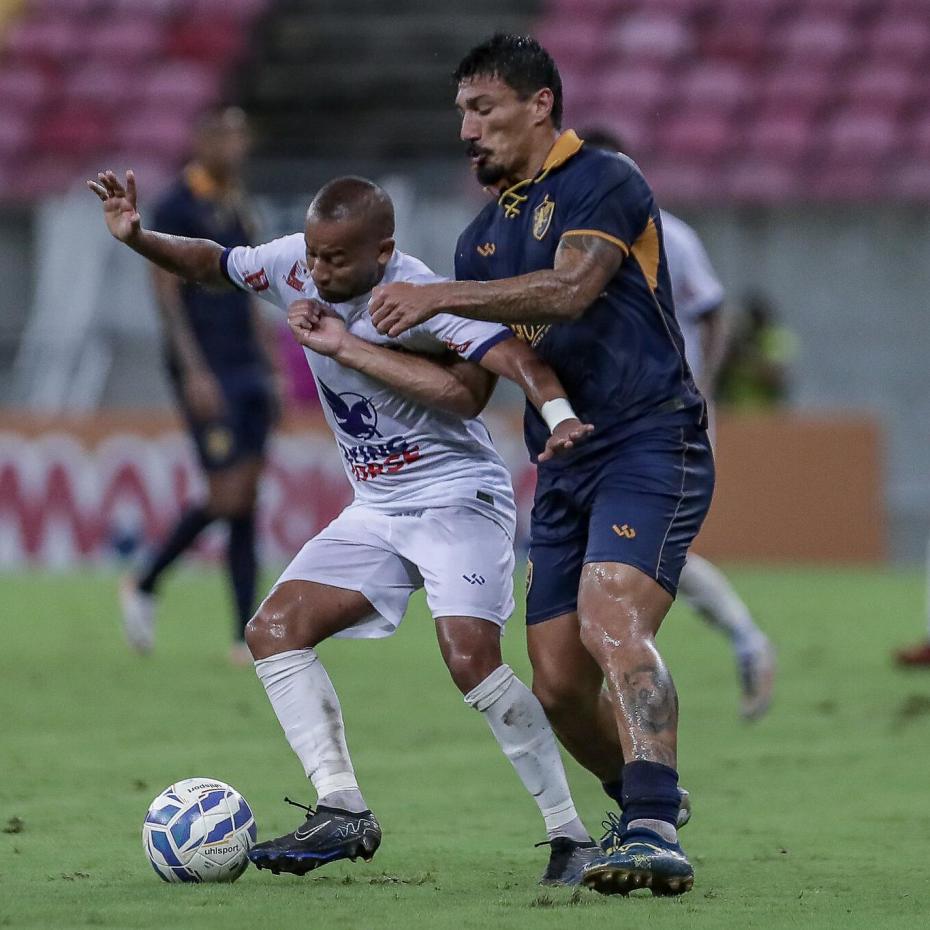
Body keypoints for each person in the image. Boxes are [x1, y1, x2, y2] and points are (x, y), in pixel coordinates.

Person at [87, 169, 601, 884]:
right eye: (314, 253)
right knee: (272, 630)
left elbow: (511, 362)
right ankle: (342, 807)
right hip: (378, 508)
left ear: (382, 252)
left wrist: (560, 416)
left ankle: (571, 835)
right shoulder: (295, 260)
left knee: (468, 657)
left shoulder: (414, 296)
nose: (316, 269)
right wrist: (139, 236)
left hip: (459, 498)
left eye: (336, 259)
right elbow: (214, 264)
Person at [368, 34, 715, 897]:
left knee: (609, 615)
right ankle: (644, 798)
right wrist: (353, 347)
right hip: (563, 464)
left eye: (481, 110)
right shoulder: (482, 240)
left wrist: (438, 298)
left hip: (648, 437)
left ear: (539, 105)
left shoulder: (606, 177)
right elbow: (468, 392)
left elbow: (569, 291)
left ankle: (651, 824)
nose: (466, 130)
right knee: (559, 684)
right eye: (460, 113)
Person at [582, 127, 776, 721]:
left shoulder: (669, 235)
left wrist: (703, 387)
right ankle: (738, 642)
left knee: (639, 555)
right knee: (621, 557)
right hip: (603, 424)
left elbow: (712, 313)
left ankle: (724, 648)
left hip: (668, 421)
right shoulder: (577, 243)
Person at [118, 107, 280, 665]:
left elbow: (251, 280)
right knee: (227, 493)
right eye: (228, 135)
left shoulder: (236, 201)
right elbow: (166, 295)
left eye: (242, 135)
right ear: (204, 138)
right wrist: (193, 371)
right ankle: (144, 583)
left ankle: (243, 634)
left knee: (248, 499)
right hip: (208, 366)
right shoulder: (175, 204)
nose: (237, 146)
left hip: (246, 365)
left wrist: (270, 357)